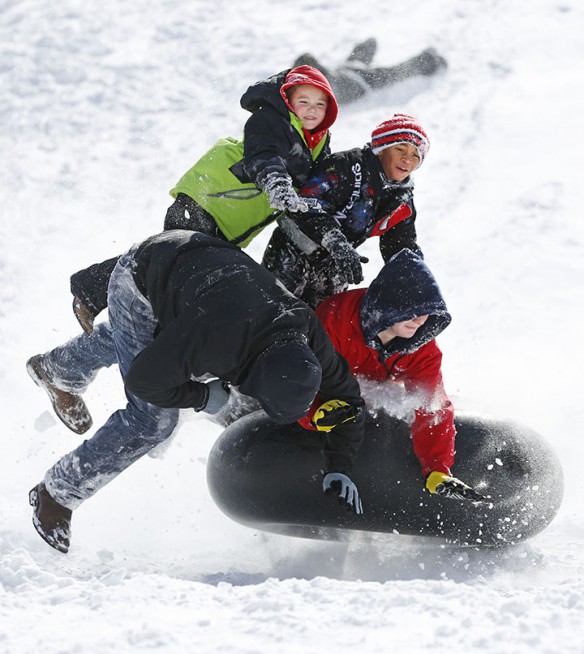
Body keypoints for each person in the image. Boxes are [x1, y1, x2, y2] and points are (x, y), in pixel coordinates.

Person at [27, 230, 365, 554]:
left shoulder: (308, 334)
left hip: (206, 269)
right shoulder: (216, 341)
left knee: (161, 350)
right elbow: (144, 380)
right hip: (141, 277)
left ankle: (57, 370)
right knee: (152, 421)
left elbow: (349, 401)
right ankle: (57, 494)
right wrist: (201, 397)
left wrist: (341, 464)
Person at [70, 65, 339, 333]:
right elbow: (264, 156)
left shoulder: (318, 141)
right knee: (167, 263)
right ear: (288, 101)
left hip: (230, 222)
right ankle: (91, 293)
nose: (312, 109)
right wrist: (276, 183)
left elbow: (317, 184)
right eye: (303, 102)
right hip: (206, 199)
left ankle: (135, 327)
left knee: (176, 273)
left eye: (320, 103)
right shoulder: (271, 119)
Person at [300, 248, 486, 502]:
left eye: (427, 311)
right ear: (389, 305)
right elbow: (301, 377)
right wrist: (315, 415)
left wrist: (437, 469)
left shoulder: (422, 349)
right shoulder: (334, 320)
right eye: (412, 309)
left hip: (367, 384)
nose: (421, 319)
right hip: (322, 388)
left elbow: (431, 405)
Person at [262, 113, 430, 308]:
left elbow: (400, 245)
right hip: (292, 249)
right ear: (381, 149)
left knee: (321, 327)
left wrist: (415, 279)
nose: (407, 159)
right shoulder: (346, 165)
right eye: (400, 149)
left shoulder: (401, 200)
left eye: (415, 155)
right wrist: (335, 242)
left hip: (335, 266)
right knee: (271, 314)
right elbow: (303, 204)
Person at [293, 37, 447, 105]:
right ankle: (429, 61)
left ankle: (368, 47)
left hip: (350, 71)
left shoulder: (318, 84)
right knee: (393, 72)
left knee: (361, 56)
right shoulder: (323, 89)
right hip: (363, 80)